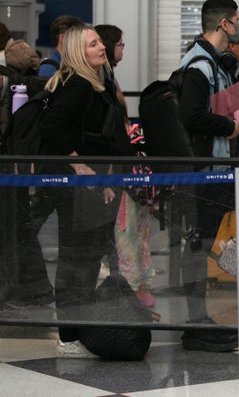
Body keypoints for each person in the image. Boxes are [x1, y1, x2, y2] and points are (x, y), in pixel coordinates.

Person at [40, 23, 132, 358]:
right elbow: (55, 130)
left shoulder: (97, 82)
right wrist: (82, 168)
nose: (101, 48)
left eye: (100, 43)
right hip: (77, 190)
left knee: (88, 259)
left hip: (93, 188)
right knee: (76, 259)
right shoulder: (77, 84)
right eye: (93, 44)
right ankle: (68, 333)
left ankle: (79, 326)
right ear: (80, 50)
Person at [176, 0, 239, 352]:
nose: (237, 25)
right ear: (224, 25)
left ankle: (198, 319)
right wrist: (228, 126)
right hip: (202, 172)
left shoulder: (217, 65)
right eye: (235, 20)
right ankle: (194, 322)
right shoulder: (199, 65)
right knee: (196, 244)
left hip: (217, 168)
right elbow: (191, 115)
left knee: (203, 244)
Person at [96, 24, 157, 308]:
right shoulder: (100, 80)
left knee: (135, 230)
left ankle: (137, 286)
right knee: (125, 231)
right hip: (115, 172)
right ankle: (130, 288)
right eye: (120, 43)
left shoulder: (109, 78)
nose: (123, 48)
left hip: (123, 170)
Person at [0, 35, 54, 311]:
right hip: (15, 163)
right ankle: (35, 290)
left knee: (12, 228)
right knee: (19, 226)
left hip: (8, 165)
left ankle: (19, 291)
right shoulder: (26, 70)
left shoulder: (9, 77)